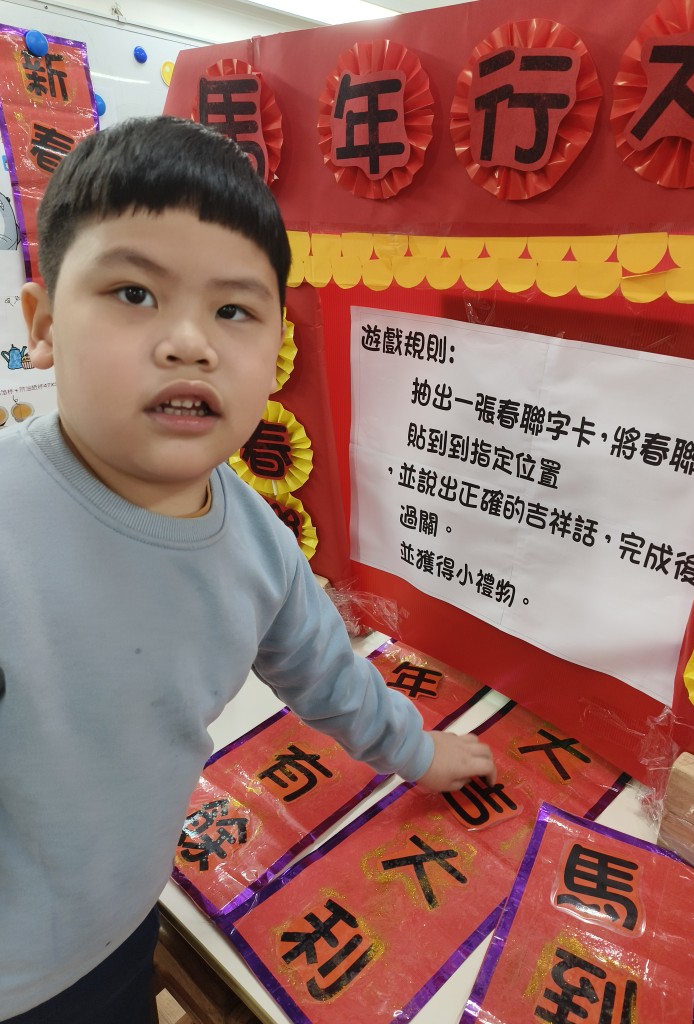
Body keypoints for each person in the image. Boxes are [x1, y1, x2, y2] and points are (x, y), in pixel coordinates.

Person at [0, 115, 496, 1023]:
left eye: (234, 311)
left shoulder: (256, 539)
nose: (190, 342)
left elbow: (325, 672)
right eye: (134, 293)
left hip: (122, 927)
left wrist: (418, 752)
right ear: (42, 326)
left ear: (276, 350)